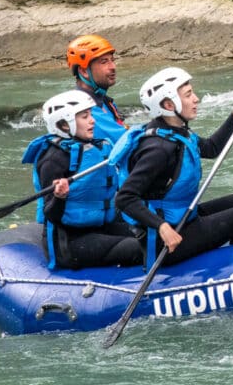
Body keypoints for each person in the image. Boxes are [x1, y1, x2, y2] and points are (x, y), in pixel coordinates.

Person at [113, 67, 233, 267]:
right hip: (166, 242)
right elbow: (125, 198)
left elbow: (211, 148)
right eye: (188, 95)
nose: (196, 99)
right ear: (168, 104)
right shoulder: (158, 150)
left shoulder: (176, 132)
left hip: (184, 219)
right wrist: (162, 227)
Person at [21, 90, 142, 269]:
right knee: (136, 248)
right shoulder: (52, 159)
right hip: (69, 241)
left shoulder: (95, 147)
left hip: (98, 227)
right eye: (85, 117)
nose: (92, 120)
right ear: (63, 124)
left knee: (149, 234)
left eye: (91, 115)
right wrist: (59, 197)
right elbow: (50, 214)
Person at [66, 34, 128, 143]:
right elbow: (127, 141)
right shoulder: (84, 114)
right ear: (84, 71)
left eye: (112, 60)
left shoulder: (104, 101)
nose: (113, 67)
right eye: (104, 62)